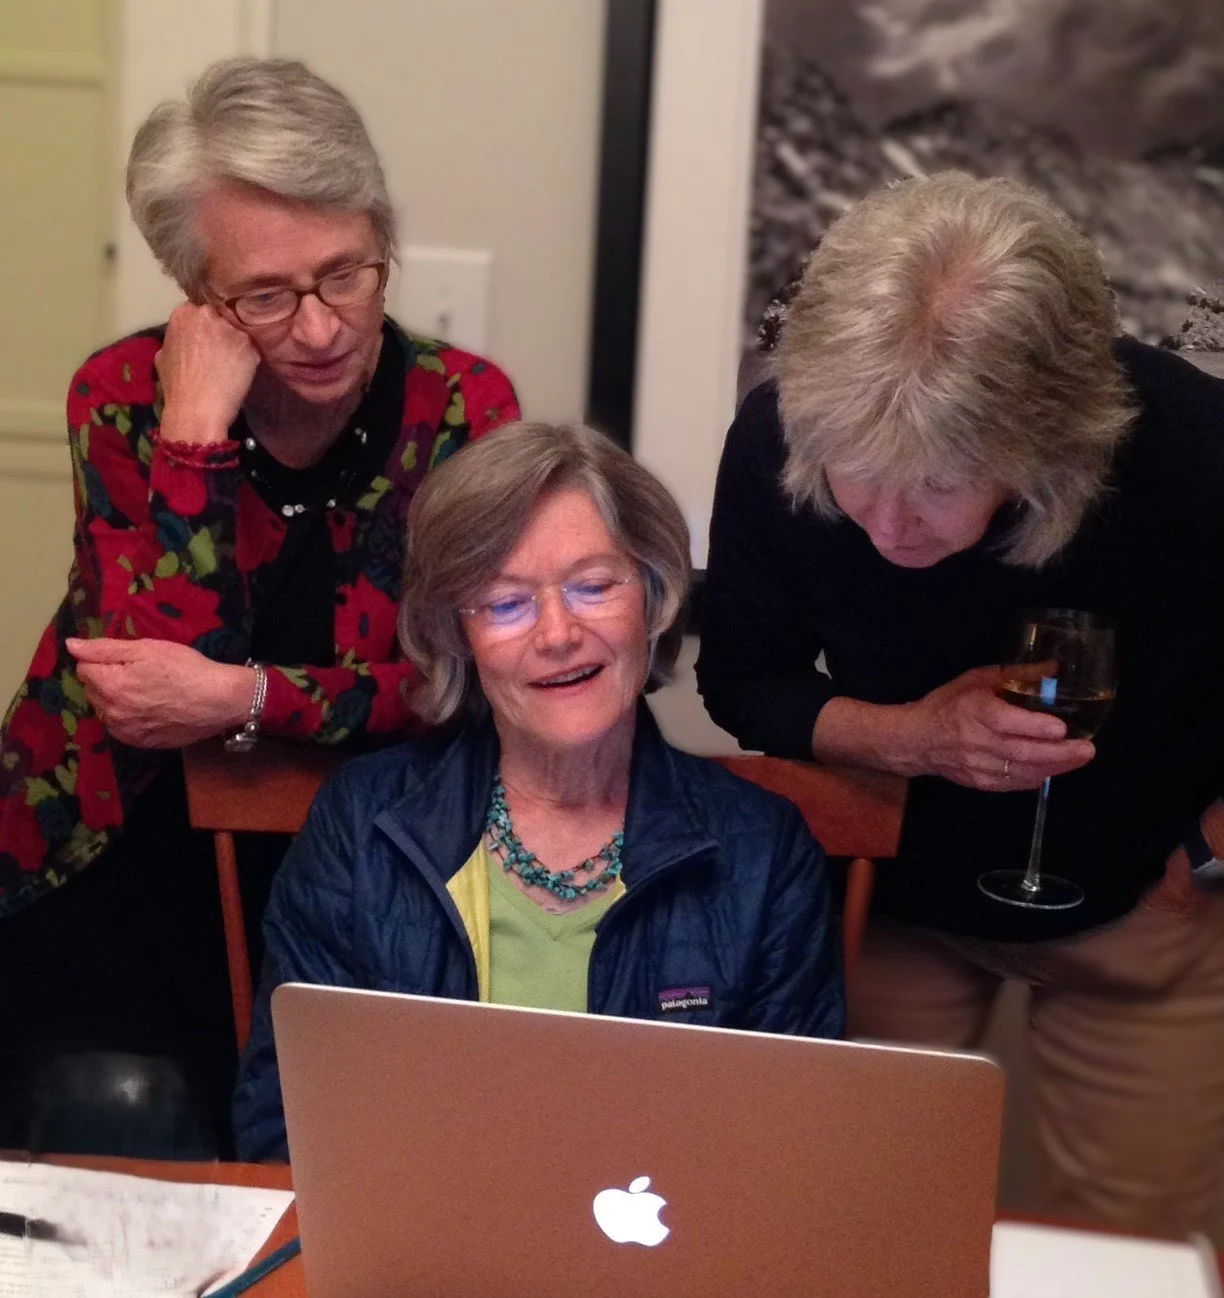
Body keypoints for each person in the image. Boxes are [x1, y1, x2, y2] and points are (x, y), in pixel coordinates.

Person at [0, 58, 518, 1151]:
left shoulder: (465, 409)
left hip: (352, 853)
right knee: (111, 1135)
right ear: (194, 290)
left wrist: (243, 695)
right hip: (119, 845)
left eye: (347, 275)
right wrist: (193, 432)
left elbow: (456, 685)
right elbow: (152, 695)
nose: (323, 327)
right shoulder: (120, 398)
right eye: (266, 296)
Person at [697, 171, 1224, 1236]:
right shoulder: (784, 433)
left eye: (940, 481)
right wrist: (910, 738)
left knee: (1137, 1239)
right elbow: (744, 677)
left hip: (1153, 894)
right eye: (858, 476)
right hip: (888, 879)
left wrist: (1207, 855)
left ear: (1051, 449)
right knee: (860, 1218)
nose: (889, 524)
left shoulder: (1192, 454)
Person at [233, 421, 844, 1160]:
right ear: (455, 631)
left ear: (653, 597)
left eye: (593, 585)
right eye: (505, 602)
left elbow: (790, 1155)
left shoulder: (765, 856)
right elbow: (287, 1124)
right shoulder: (360, 827)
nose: (557, 634)